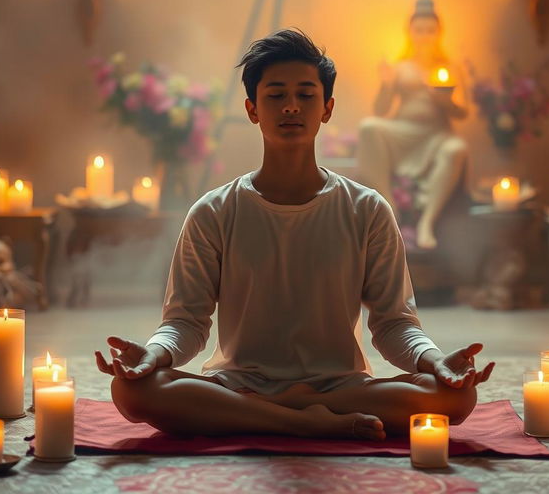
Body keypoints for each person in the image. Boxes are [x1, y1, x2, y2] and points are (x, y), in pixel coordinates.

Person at [95, 29, 494, 440]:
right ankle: (306, 423)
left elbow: (394, 324)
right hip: (241, 382)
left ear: (327, 108)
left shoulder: (367, 209)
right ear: (252, 109)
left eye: (305, 95)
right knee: (131, 389)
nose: (291, 107)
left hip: (340, 387)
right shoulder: (214, 211)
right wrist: (154, 352)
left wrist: (434, 361)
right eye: (275, 95)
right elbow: (186, 322)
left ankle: (261, 417)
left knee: (454, 397)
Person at [357, 0, 469, 250]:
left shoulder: (448, 68)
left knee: (457, 148)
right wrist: (386, 84)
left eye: (431, 30)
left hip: (435, 135)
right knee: (369, 127)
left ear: (439, 33)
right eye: (419, 30)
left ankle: (426, 222)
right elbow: (380, 110)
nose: (425, 36)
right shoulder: (400, 67)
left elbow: (462, 112)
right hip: (403, 131)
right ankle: (389, 207)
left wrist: (445, 100)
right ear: (410, 32)